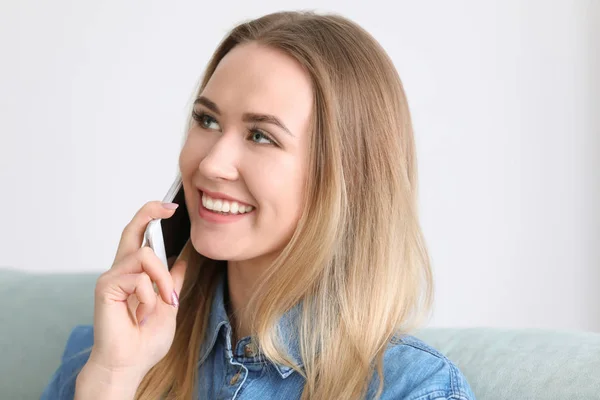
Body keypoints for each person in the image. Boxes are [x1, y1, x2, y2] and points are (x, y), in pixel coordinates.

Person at [41, 10, 476, 400]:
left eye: (261, 135)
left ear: (348, 177)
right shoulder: (108, 351)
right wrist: (114, 377)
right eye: (207, 120)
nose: (211, 163)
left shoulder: (416, 390)